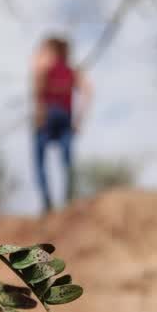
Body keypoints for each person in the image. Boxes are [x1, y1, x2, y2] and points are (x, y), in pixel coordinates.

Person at [31, 36, 92, 212]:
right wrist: (79, 119)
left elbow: (38, 85)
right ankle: (69, 201)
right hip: (66, 116)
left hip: (49, 114)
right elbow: (88, 92)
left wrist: (40, 111)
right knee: (67, 161)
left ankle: (47, 204)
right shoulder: (72, 72)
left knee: (40, 160)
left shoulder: (45, 66)